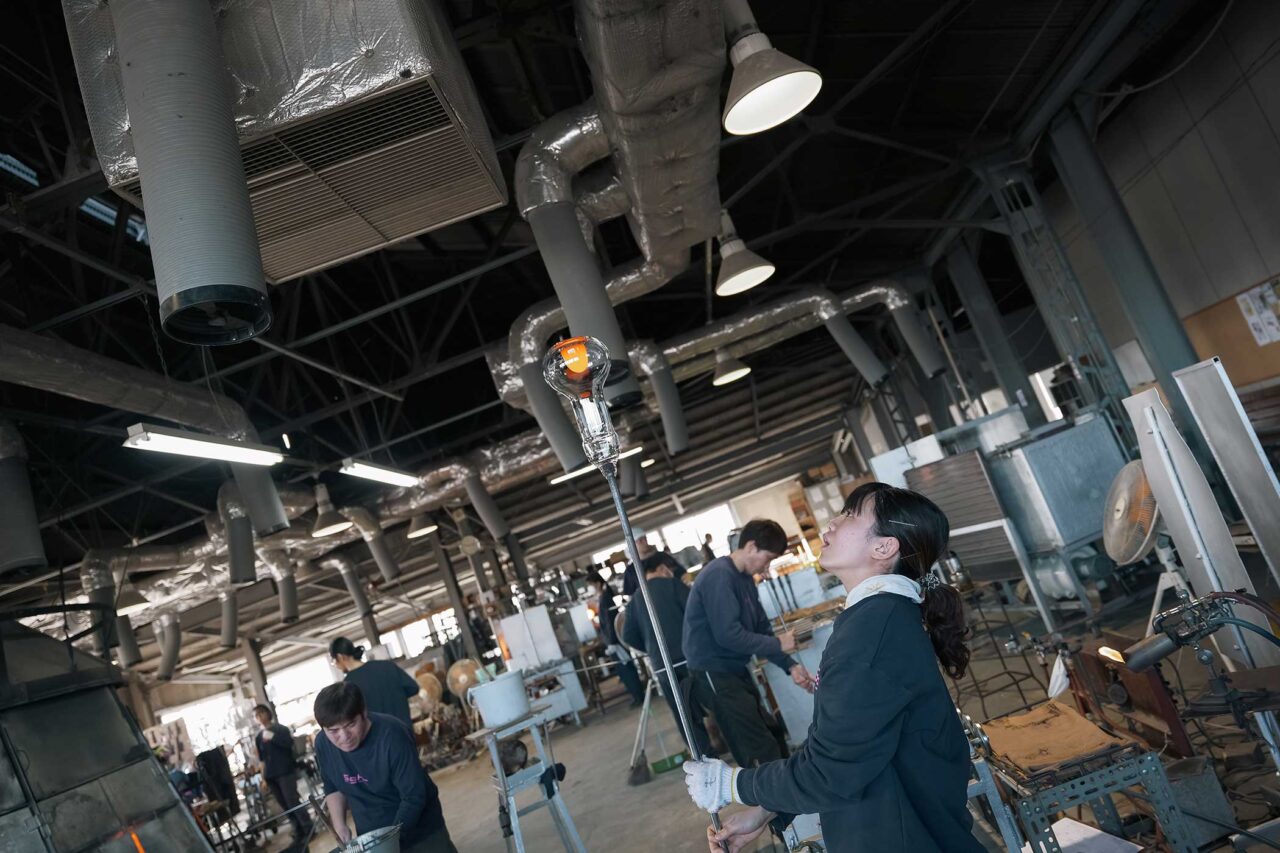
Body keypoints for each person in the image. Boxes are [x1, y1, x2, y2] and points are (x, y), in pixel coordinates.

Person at [683, 483, 981, 853]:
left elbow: (831, 770)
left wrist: (733, 784)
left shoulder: (871, 633)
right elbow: (843, 743)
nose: (831, 524)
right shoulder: (875, 617)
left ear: (884, 548)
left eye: (851, 515)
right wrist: (765, 809)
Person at [682, 519, 814, 772]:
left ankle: (781, 792)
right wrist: (778, 642)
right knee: (756, 745)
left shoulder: (744, 579)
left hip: (734, 669)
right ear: (751, 547)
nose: (766, 567)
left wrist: (790, 665)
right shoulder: (719, 576)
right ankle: (767, 796)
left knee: (772, 732)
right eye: (768, 559)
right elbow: (728, 635)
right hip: (714, 672)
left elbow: (759, 629)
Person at [313, 682, 456, 852]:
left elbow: (413, 796)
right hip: (371, 836)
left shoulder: (392, 735)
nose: (344, 737)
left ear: (363, 712)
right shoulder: (323, 744)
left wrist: (390, 842)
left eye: (351, 725)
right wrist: (340, 826)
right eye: (333, 731)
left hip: (420, 831)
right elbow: (332, 786)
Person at [622, 559, 710, 755]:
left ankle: (704, 756)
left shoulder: (635, 600)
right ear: (661, 568)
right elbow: (697, 612)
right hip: (691, 656)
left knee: (683, 712)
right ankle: (730, 744)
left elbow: (628, 635)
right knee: (713, 702)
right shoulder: (673, 585)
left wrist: (650, 648)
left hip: (662, 665)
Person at [330, 636, 420, 728]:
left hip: (378, 735)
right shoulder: (387, 666)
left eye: (333, 661)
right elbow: (413, 688)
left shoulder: (347, 686)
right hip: (405, 730)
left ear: (340, 657)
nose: (336, 665)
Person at [253, 704, 314, 840]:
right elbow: (262, 760)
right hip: (270, 775)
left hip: (285, 771)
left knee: (292, 801)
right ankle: (298, 831)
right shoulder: (258, 737)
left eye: (261, 713)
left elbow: (289, 745)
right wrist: (263, 779)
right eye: (256, 715)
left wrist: (272, 737)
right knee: (284, 805)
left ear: (267, 713)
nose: (259, 717)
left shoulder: (281, 729)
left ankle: (308, 829)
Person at [588, 569, 645, 707]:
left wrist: (612, 641)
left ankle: (639, 696)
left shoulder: (606, 597)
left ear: (597, 583)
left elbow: (611, 621)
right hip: (612, 642)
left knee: (627, 670)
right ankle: (636, 695)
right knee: (623, 671)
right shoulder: (602, 597)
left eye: (590, 584)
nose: (589, 588)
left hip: (616, 642)